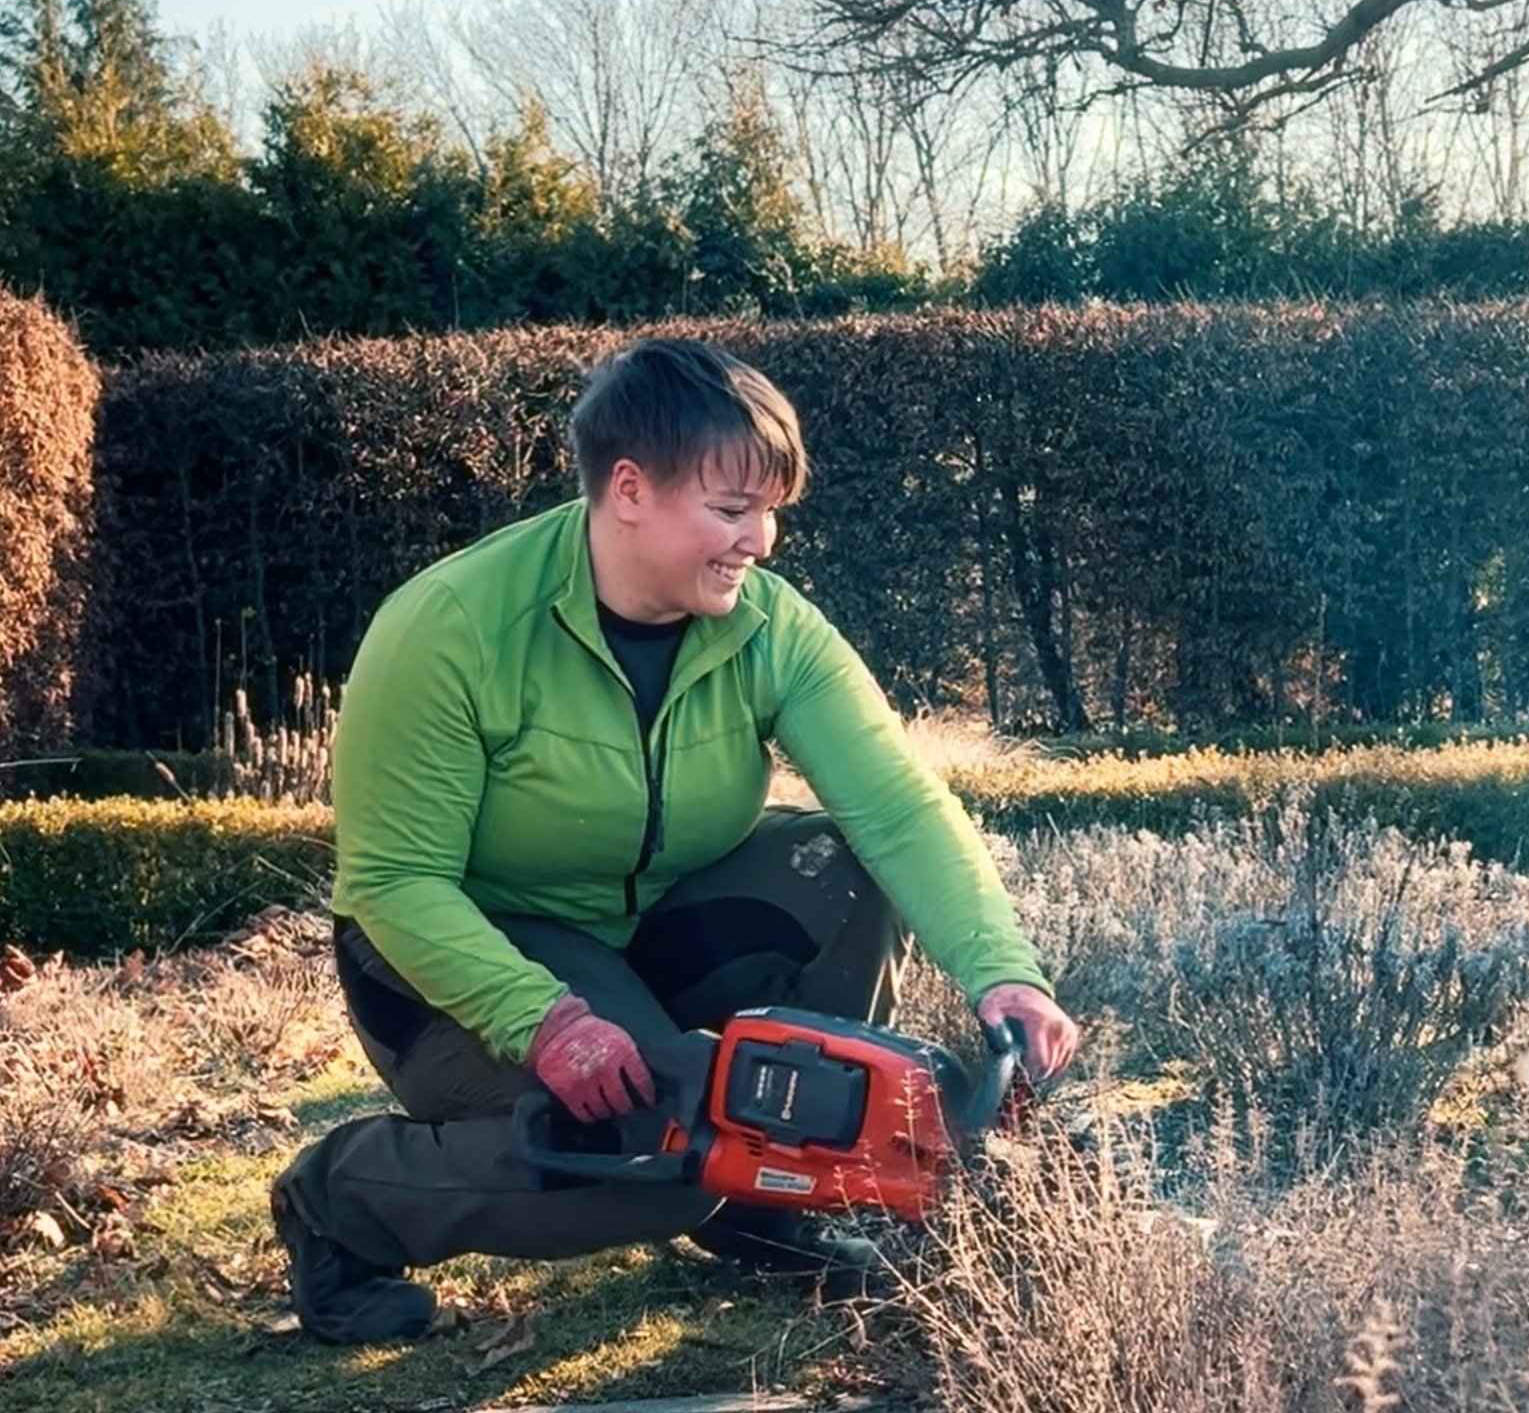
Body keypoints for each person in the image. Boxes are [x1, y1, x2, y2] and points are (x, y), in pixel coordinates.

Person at [270, 336, 1080, 1345]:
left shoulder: (768, 626)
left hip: (640, 925)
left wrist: (1004, 973)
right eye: (732, 508)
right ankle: (340, 1198)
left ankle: (768, 1197)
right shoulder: (449, 627)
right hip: (454, 954)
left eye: (770, 509)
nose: (763, 539)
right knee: (660, 1161)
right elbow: (394, 882)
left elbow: (898, 807)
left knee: (841, 870)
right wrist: (547, 1021)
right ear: (627, 489)